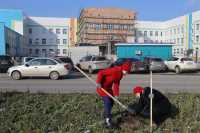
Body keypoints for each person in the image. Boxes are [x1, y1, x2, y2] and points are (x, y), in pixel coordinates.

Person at [96, 61, 132, 128]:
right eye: (127, 72)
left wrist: (116, 95)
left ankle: (105, 113)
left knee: (112, 102)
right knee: (108, 102)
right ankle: (108, 120)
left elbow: (116, 84)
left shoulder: (120, 75)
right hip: (102, 87)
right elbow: (101, 73)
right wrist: (98, 82)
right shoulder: (115, 70)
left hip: (108, 89)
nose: (127, 73)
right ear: (124, 69)